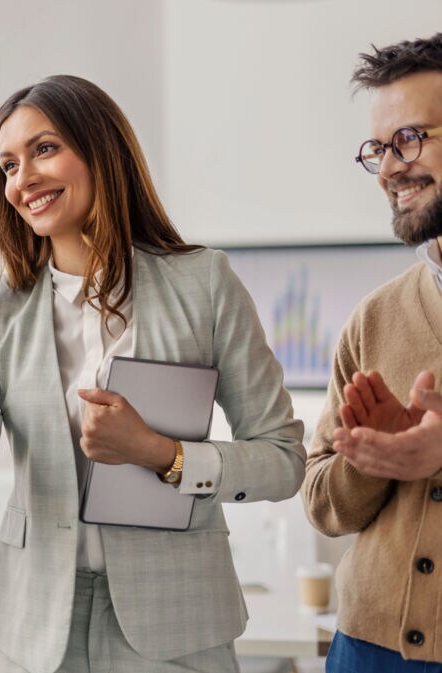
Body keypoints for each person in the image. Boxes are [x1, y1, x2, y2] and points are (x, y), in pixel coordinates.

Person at [0, 75, 306, 673]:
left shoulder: (203, 285)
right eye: (8, 165)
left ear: (102, 150)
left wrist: (162, 454)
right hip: (34, 626)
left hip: (178, 620)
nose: (23, 179)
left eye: (44, 149)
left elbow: (282, 458)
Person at [301, 32, 442, 673]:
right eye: (379, 149)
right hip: (365, 650)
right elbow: (320, 502)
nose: (388, 169)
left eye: (409, 139)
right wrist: (372, 459)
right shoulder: (374, 317)